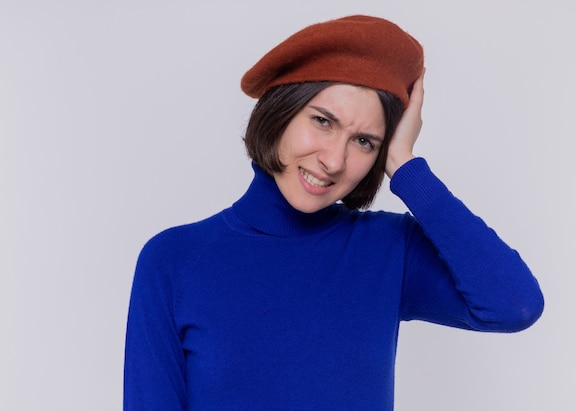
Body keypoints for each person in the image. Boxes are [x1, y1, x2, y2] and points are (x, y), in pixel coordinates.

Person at [123, 15, 544, 410]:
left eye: (365, 142)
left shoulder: (388, 249)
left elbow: (514, 305)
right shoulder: (174, 261)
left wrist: (406, 166)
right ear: (281, 112)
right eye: (323, 121)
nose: (334, 160)